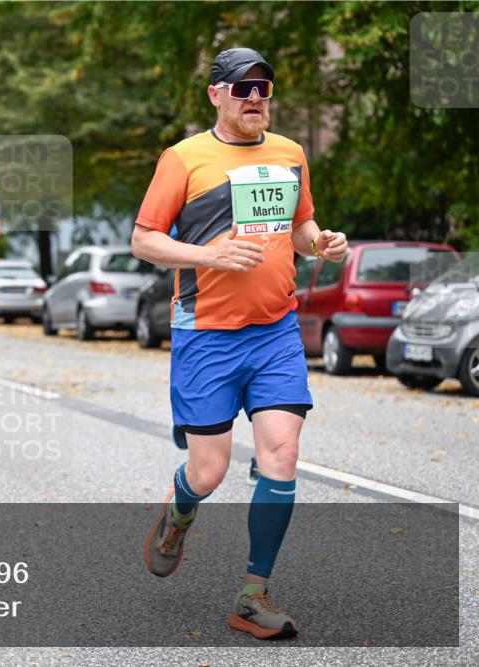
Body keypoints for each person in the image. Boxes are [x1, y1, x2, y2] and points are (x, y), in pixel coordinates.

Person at [132, 48, 348, 640]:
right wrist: (209, 254)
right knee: (210, 469)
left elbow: (300, 228)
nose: (256, 97)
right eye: (243, 87)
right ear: (216, 95)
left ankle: (253, 596)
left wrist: (321, 242)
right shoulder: (183, 159)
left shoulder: (291, 154)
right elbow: (144, 240)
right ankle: (180, 510)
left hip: (276, 329)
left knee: (281, 454)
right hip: (205, 333)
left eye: (265, 88)